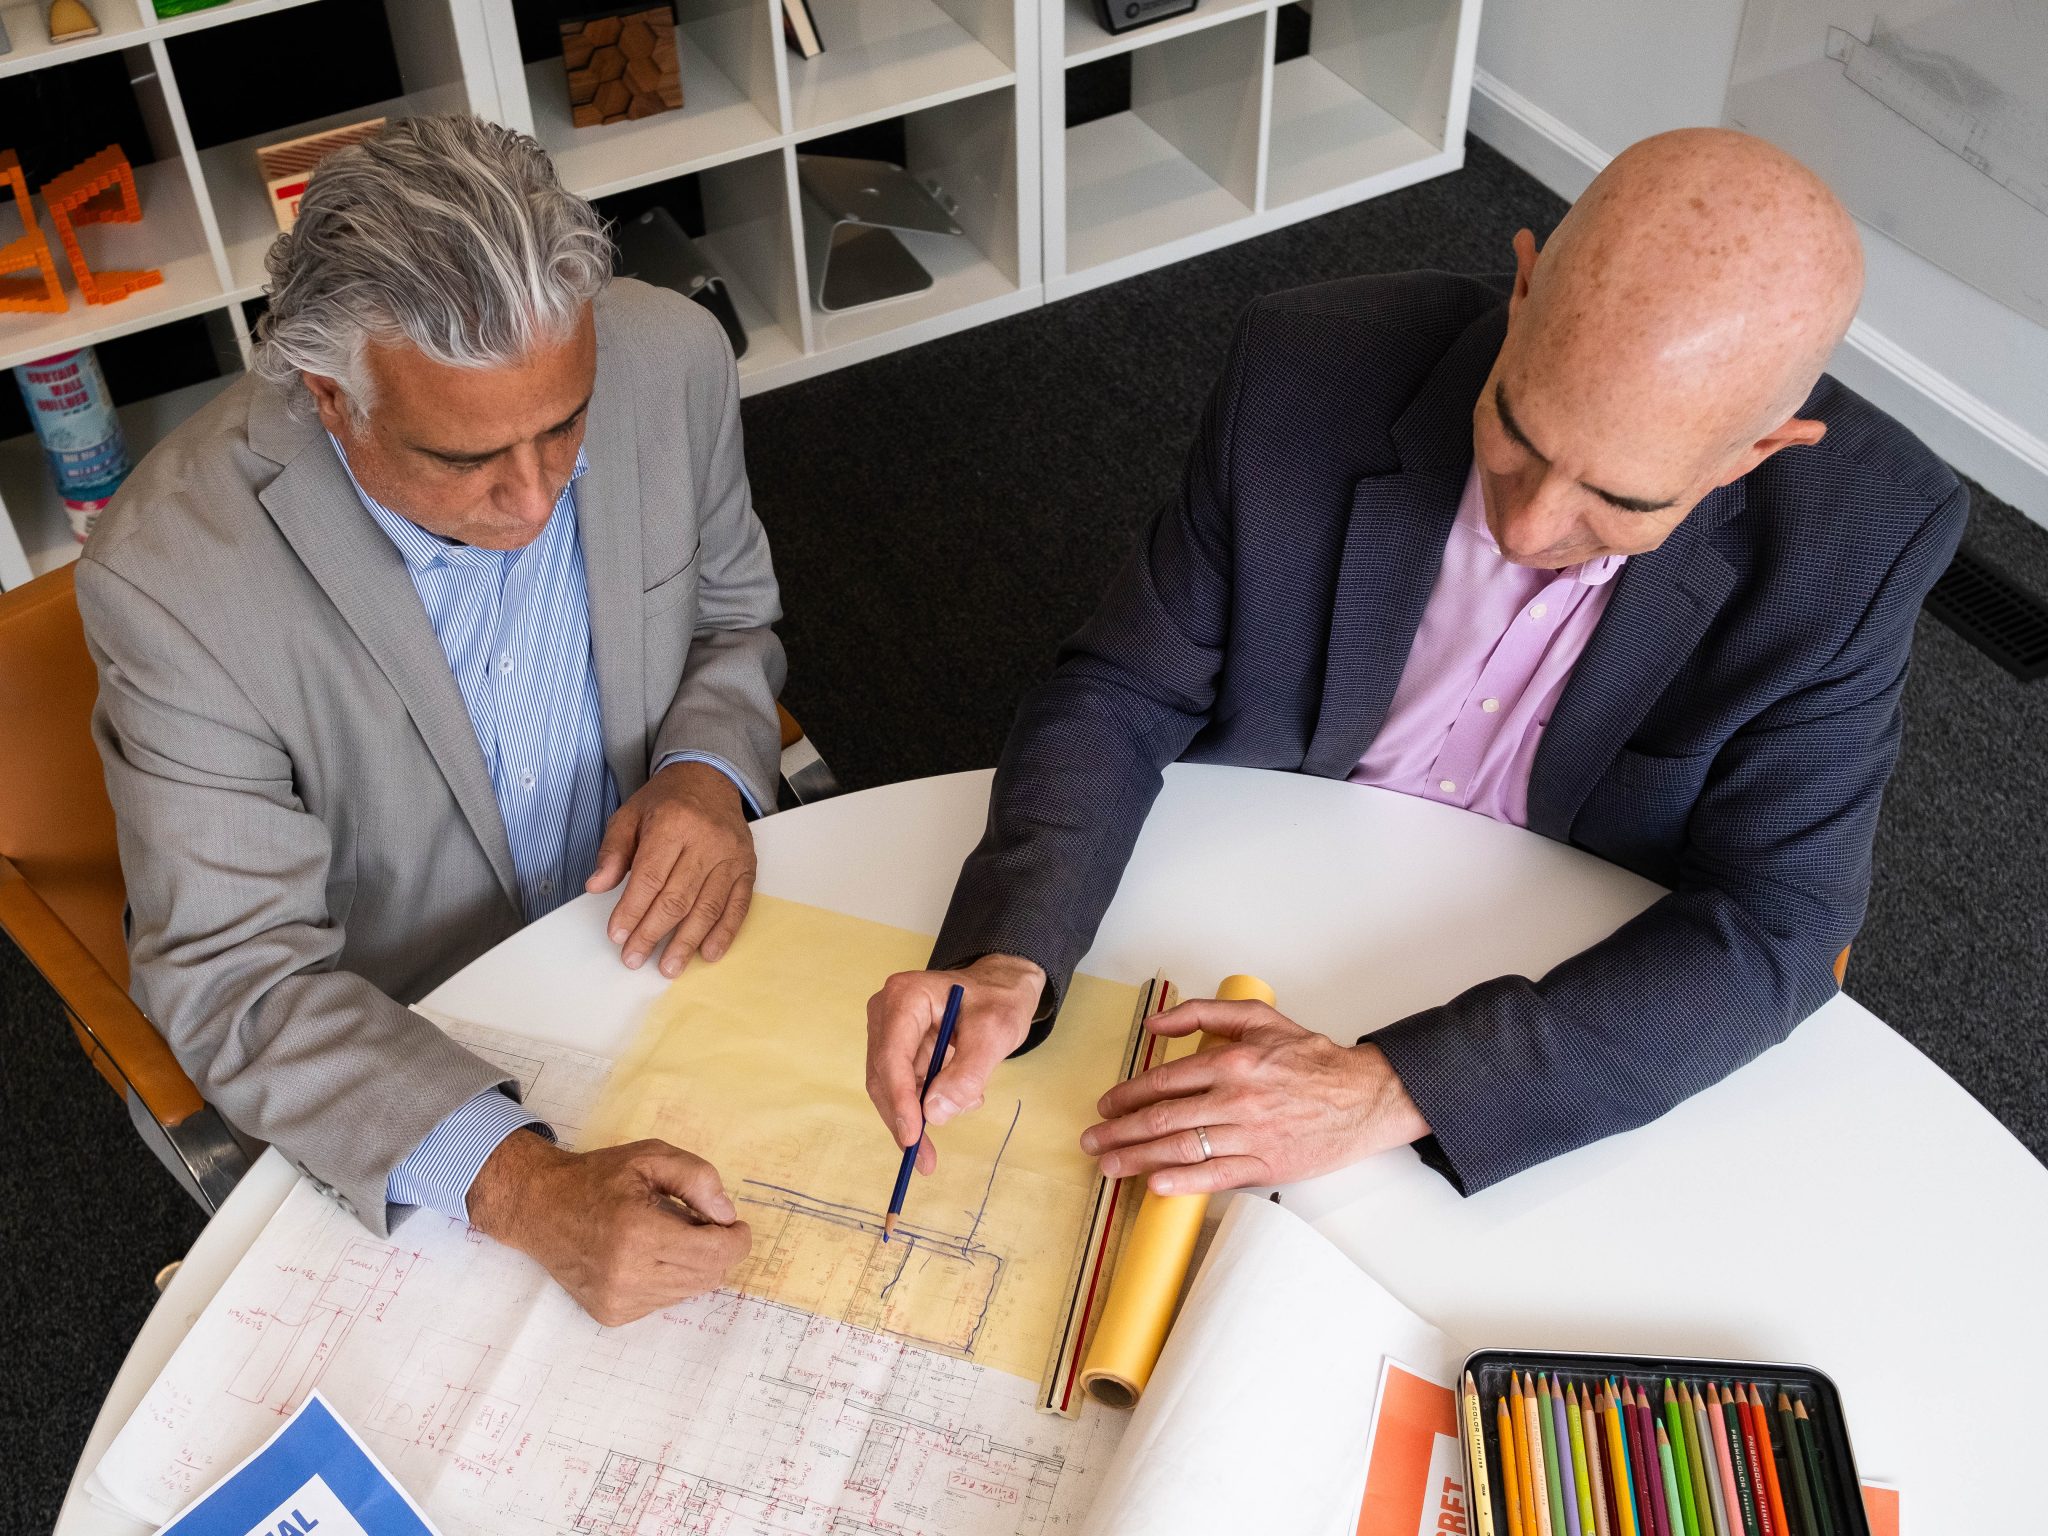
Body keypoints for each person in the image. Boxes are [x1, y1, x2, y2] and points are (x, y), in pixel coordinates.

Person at [864, 128, 1968, 1201]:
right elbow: (1124, 686)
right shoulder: (1304, 362)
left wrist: (1388, 1090)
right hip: (1245, 884)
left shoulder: (1862, 541)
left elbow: (1779, 923)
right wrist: (1010, 956)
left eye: (1618, 499)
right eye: (1516, 431)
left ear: (1755, 454)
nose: (1528, 526)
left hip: (1552, 1009)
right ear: (1523, 289)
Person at [80, 117, 778, 1325]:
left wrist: (706, 769)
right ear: (328, 397)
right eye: (464, 458)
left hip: (650, 947)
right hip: (405, 1041)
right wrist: (526, 1189)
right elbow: (238, 977)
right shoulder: (170, 580)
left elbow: (730, 619)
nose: (535, 497)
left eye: (563, 425)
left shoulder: (672, 357)